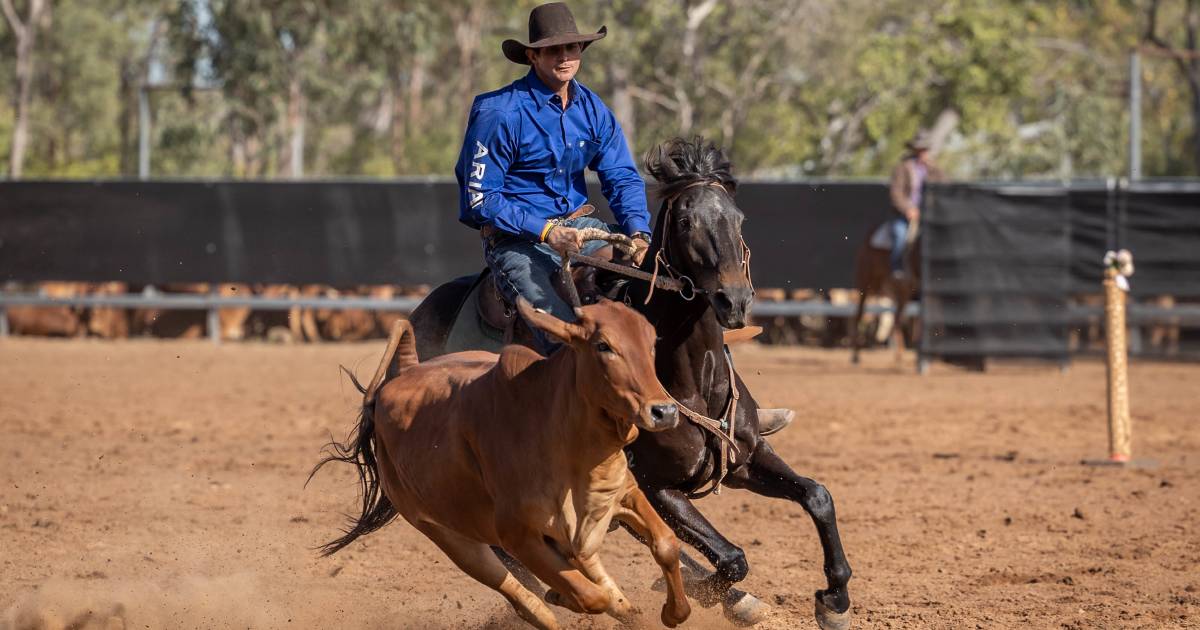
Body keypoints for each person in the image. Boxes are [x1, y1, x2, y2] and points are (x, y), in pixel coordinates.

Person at [455, 2, 650, 354]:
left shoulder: (593, 110)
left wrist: (637, 233)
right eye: (552, 49)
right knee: (564, 334)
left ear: (581, 51)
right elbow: (480, 199)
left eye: (571, 47)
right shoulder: (500, 114)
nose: (563, 57)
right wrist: (547, 231)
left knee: (650, 289)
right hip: (517, 242)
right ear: (533, 56)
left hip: (582, 230)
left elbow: (621, 176)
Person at [887, 131, 938, 280]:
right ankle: (897, 267)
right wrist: (907, 209)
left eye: (925, 149)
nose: (923, 152)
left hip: (927, 214)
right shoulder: (902, 168)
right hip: (905, 215)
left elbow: (945, 183)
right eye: (920, 149)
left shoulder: (932, 169)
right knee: (900, 236)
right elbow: (896, 193)